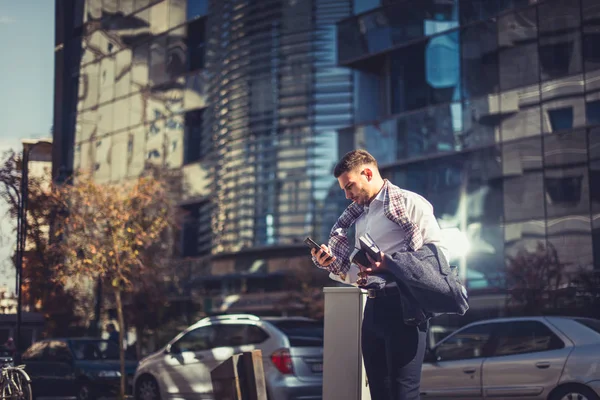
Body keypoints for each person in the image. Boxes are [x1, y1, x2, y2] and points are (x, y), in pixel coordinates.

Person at [311, 149, 450, 400]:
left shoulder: (410, 204)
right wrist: (333, 264)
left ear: (367, 173)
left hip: (405, 308)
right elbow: (361, 275)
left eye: (350, 186)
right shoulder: (361, 218)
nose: (347, 195)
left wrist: (393, 266)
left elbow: (438, 257)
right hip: (373, 310)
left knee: (403, 393)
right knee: (379, 393)